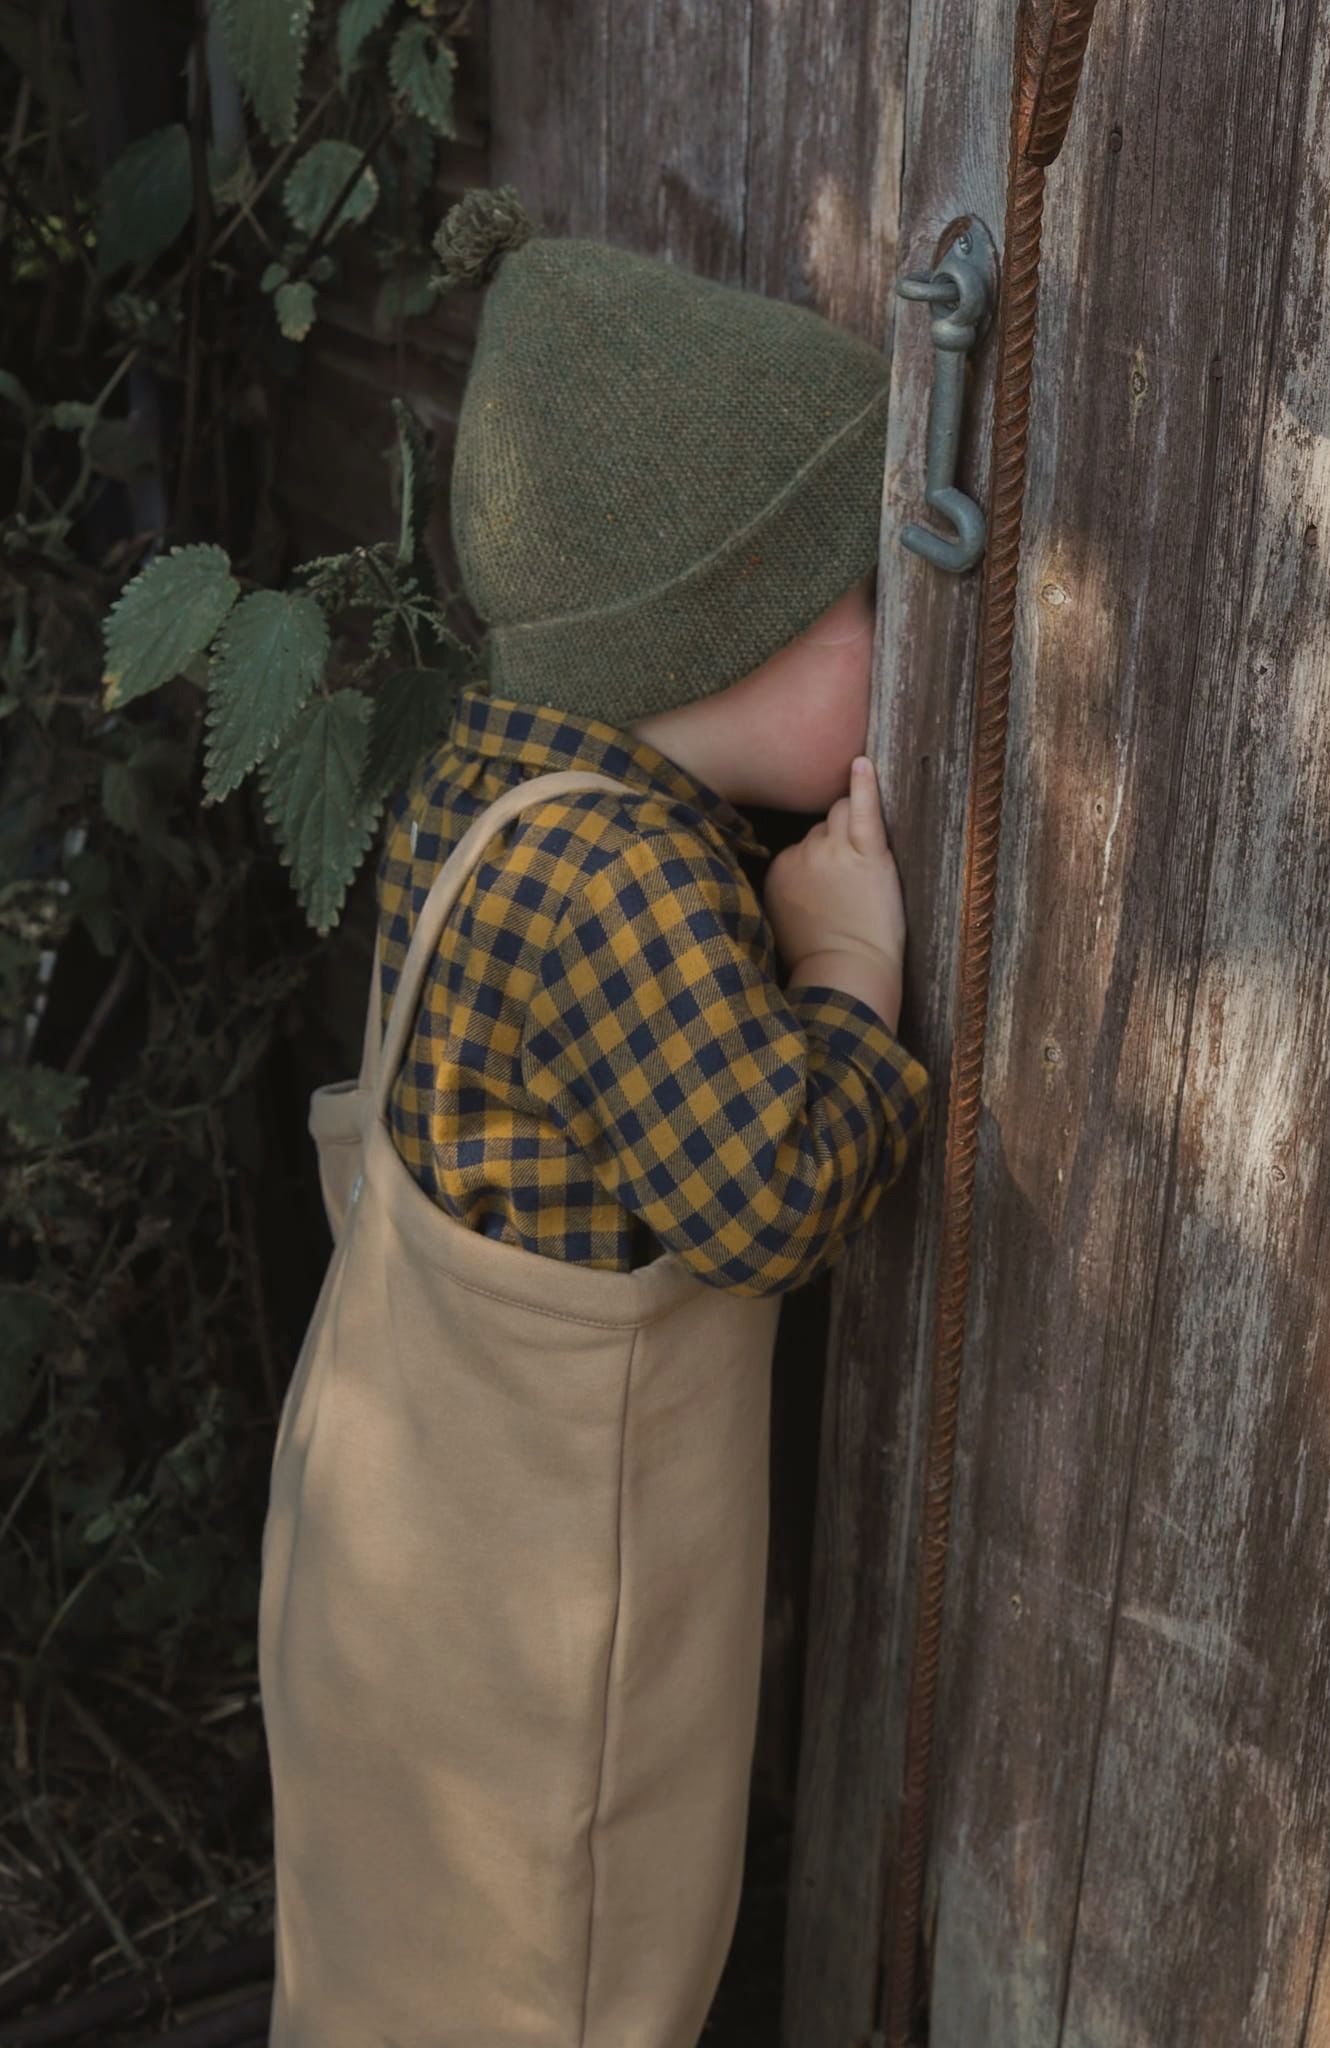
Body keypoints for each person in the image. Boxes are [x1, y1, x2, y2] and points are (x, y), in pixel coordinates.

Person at [257, 186, 931, 2048]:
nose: (892, 635)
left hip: (384, 1593)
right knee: (553, 1973)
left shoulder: (490, 786)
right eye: (858, 592)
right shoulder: (626, 882)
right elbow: (768, 1197)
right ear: (725, 624)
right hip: (538, 1649)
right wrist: (846, 972)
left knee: (398, 1973)